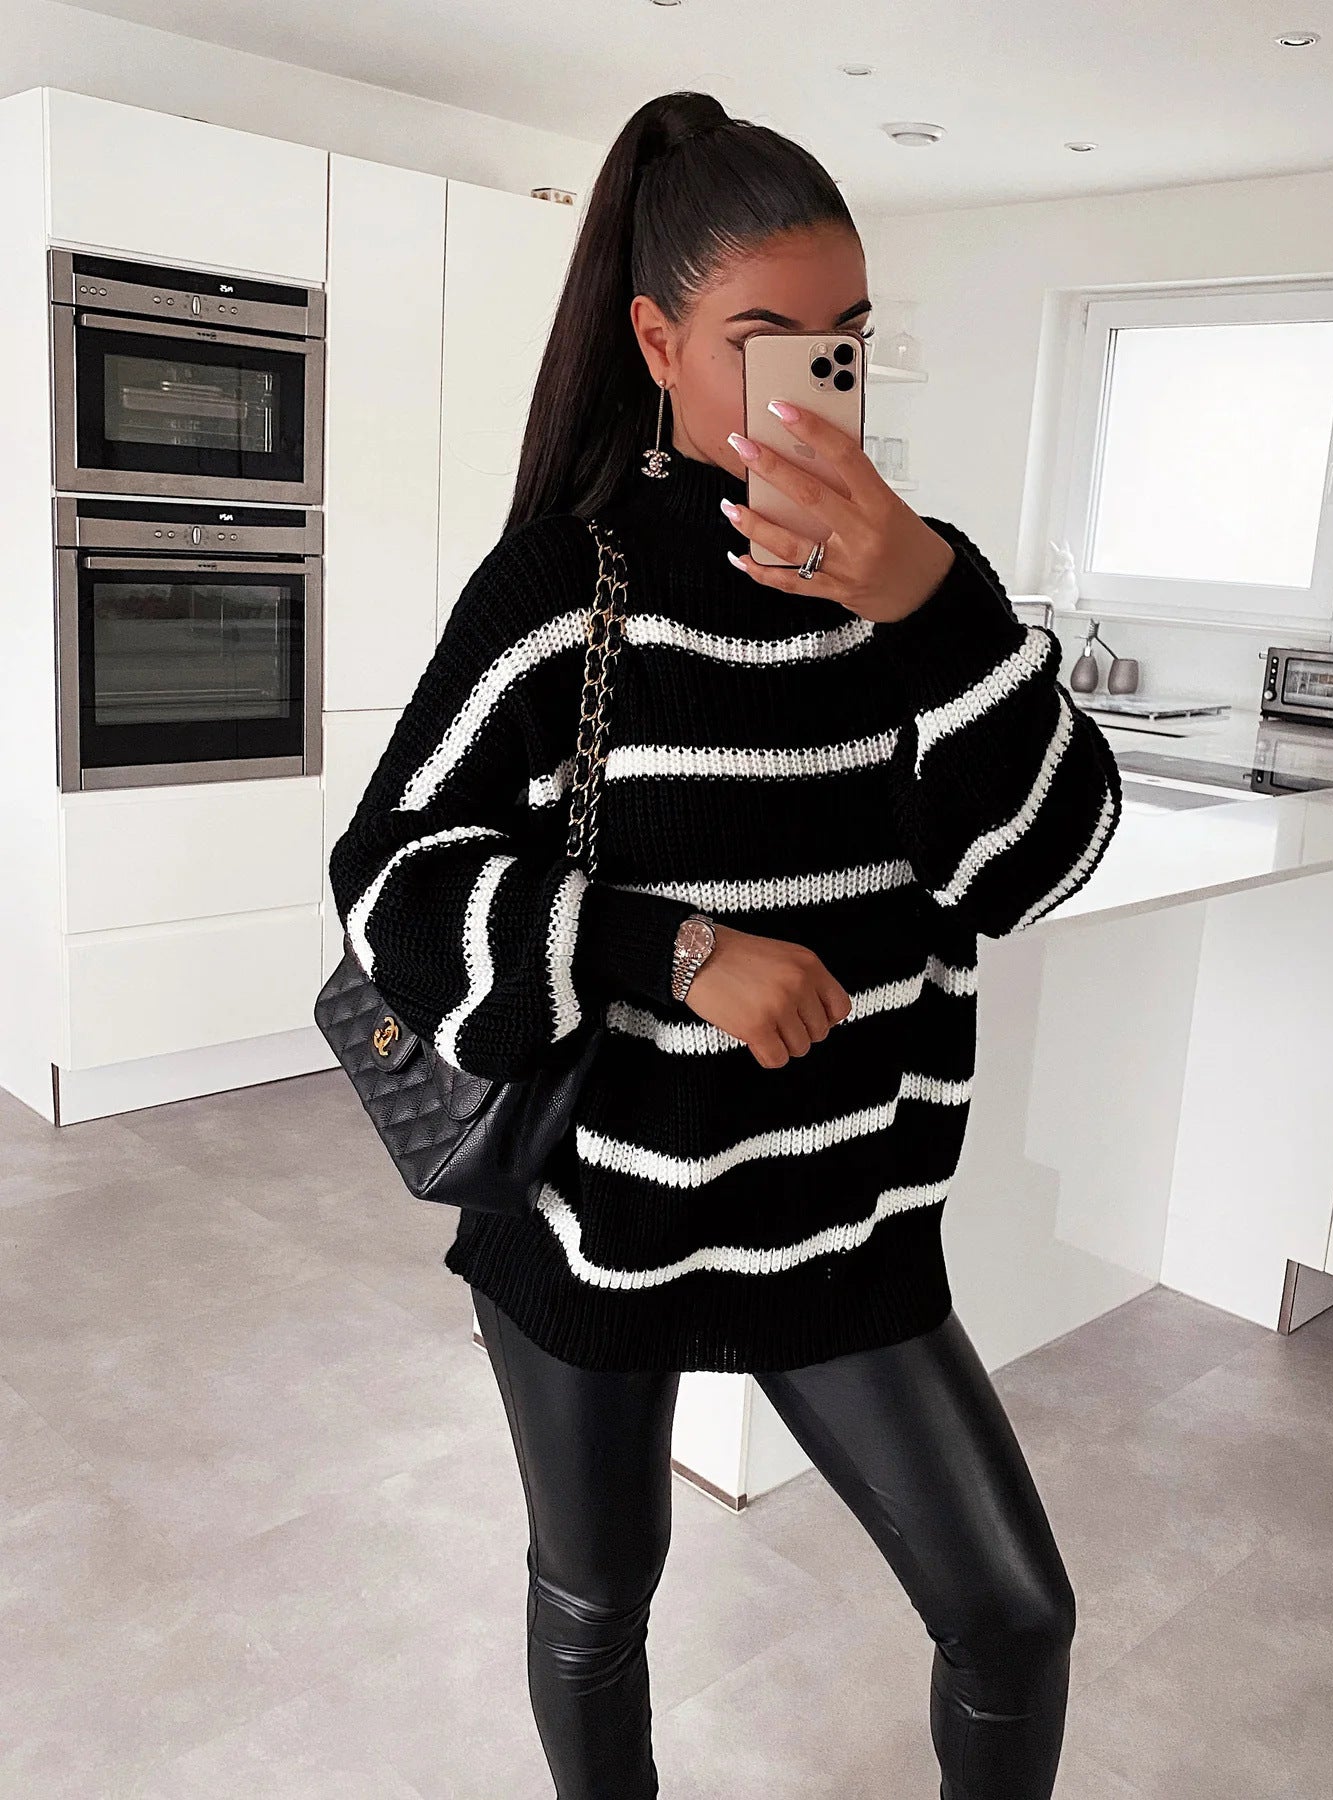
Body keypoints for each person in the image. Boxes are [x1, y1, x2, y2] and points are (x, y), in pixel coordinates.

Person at [328, 89, 1121, 1800]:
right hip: (596, 1222)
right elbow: (390, 883)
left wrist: (929, 602)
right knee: (598, 1597)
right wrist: (671, 952)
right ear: (658, 343)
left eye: (847, 343)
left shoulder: (918, 588)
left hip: (842, 1218)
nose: (817, 386)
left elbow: (1041, 860)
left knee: (1014, 1620)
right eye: (768, 343)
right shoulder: (561, 589)